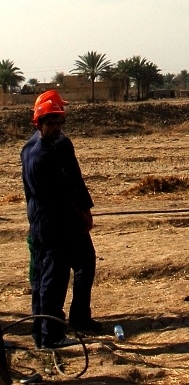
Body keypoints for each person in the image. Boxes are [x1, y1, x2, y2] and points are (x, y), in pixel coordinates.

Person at [21, 90, 101, 349]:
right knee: (51, 280)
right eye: (50, 123)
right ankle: (49, 336)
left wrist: (82, 211)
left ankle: (69, 322)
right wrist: (80, 214)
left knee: (74, 267)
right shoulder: (40, 156)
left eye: (59, 122)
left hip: (60, 220)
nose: (56, 127)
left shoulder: (47, 145)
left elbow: (72, 182)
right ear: (39, 123)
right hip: (53, 224)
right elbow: (60, 194)